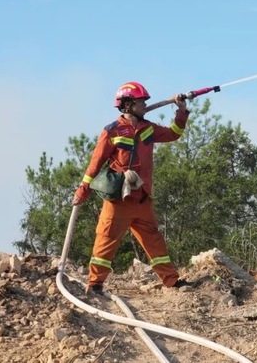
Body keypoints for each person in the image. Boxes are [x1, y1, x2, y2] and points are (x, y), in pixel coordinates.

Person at [72, 81, 191, 295]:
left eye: (145, 101)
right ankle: (95, 284)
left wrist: (181, 111)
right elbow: (95, 162)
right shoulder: (112, 131)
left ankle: (172, 281)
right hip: (118, 200)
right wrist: (83, 189)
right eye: (140, 102)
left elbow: (174, 133)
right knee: (106, 241)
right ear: (127, 105)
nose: (145, 105)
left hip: (142, 200)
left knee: (155, 242)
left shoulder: (148, 129)